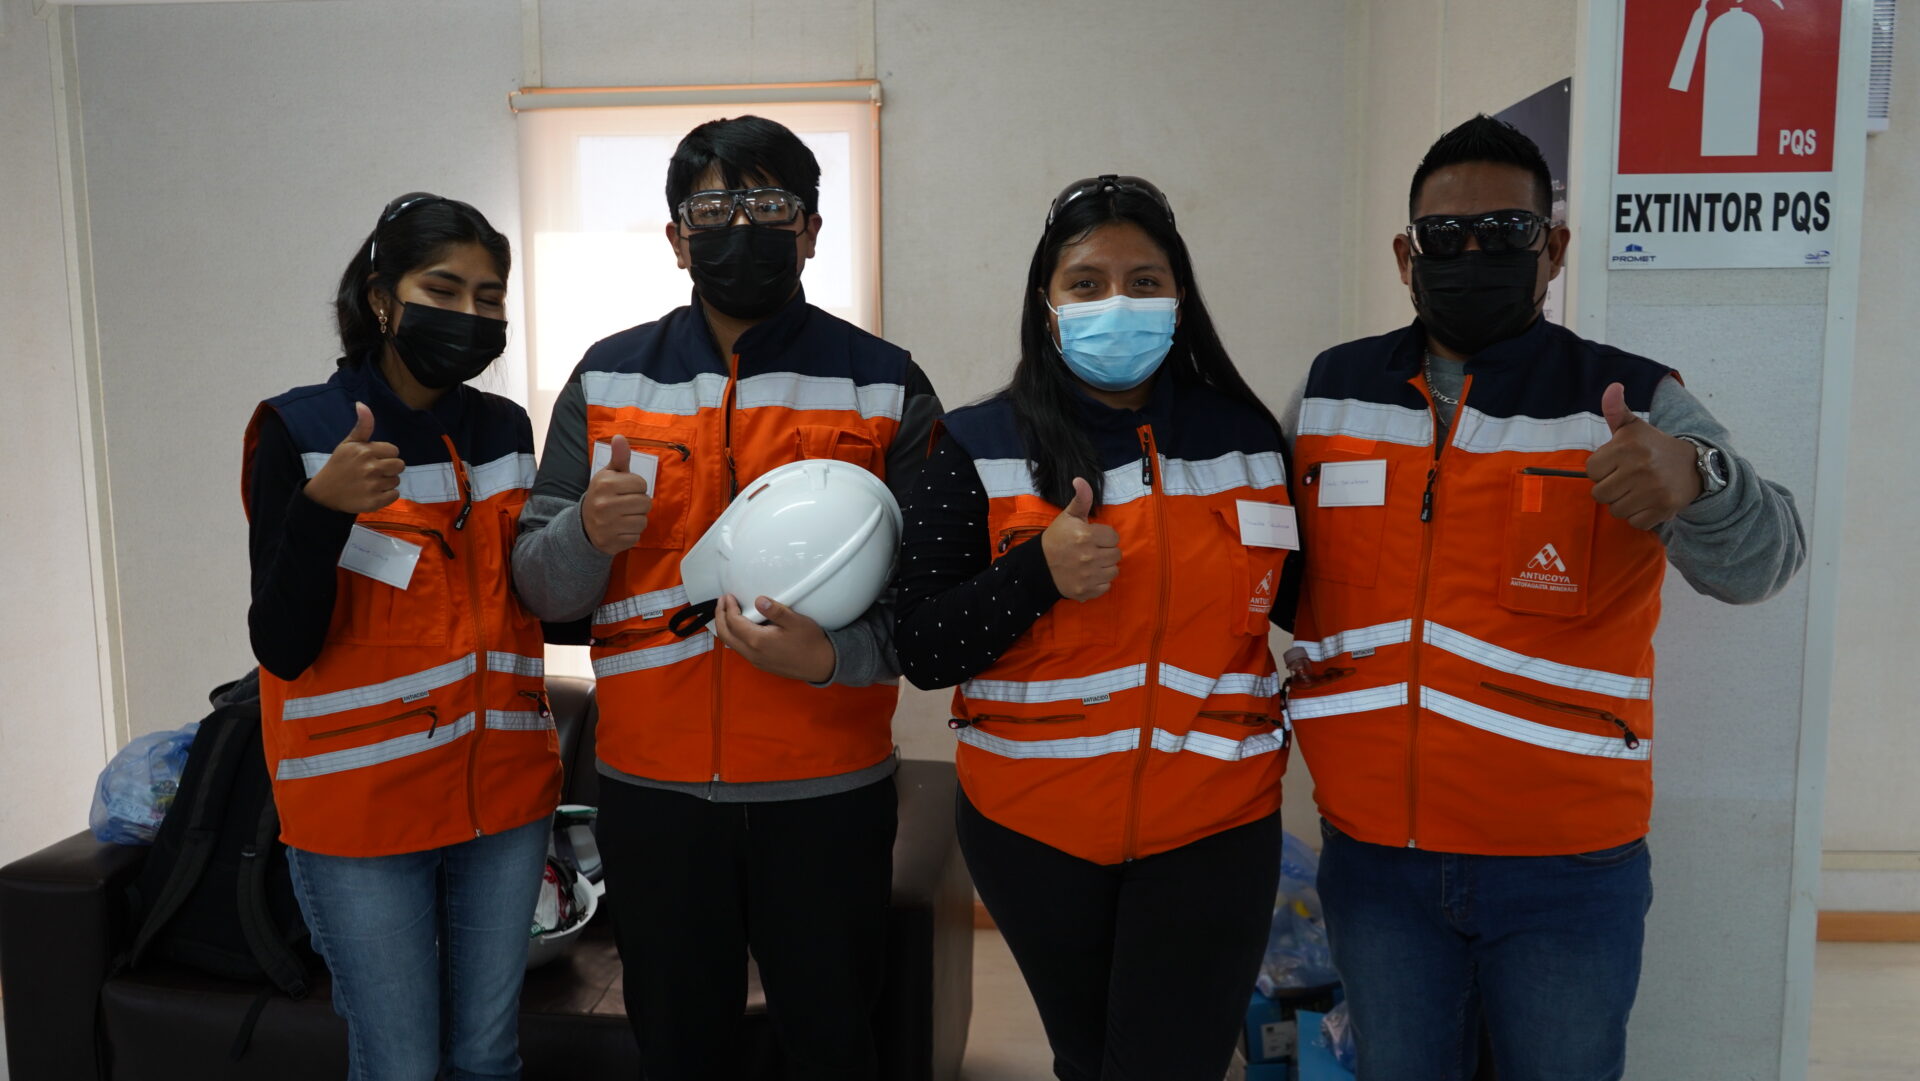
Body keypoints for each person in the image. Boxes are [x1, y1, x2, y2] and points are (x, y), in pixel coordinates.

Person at [1282, 115, 1807, 1080]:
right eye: (1444, 237)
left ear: (1553, 248)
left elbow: (1764, 562)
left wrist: (1699, 477)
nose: (1471, 255)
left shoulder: (1625, 398)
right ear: (1405, 255)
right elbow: (1274, 570)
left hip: (1565, 872)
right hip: (1377, 863)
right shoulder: (1332, 391)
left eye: (1506, 233)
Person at [510, 116, 940, 1079]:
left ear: (812, 230)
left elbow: (931, 603)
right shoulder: (607, 376)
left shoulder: (885, 384)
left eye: (769, 205)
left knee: (834, 1046)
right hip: (653, 793)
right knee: (678, 1048)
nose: (740, 227)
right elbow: (537, 587)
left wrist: (832, 657)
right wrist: (586, 534)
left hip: (827, 790)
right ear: (676, 238)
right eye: (712, 209)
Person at [895, 175, 1300, 1080]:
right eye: (1086, 282)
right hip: (1032, 827)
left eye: (1143, 281)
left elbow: (1307, 598)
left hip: (1216, 821)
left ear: (1180, 298)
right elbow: (921, 645)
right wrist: (1035, 573)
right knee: (1088, 1059)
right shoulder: (975, 442)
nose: (1117, 302)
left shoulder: (1247, 437)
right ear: (1047, 305)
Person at [243, 192, 563, 1080]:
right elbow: (280, 642)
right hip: (361, 811)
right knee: (401, 1067)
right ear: (382, 299)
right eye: (442, 290)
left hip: (503, 799)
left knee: (489, 1057)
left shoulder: (505, 430)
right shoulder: (304, 430)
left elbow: (532, 600)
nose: (469, 314)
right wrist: (321, 511)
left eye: (489, 297)